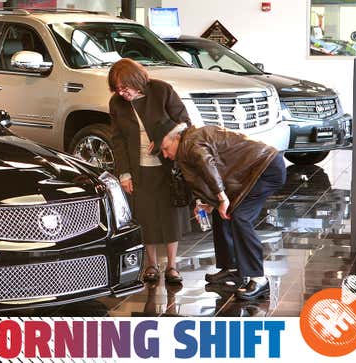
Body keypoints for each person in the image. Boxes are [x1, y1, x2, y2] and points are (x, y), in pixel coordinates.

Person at [160, 123, 286, 300]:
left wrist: (221, 198)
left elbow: (208, 165)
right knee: (222, 215)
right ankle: (232, 268)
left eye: (166, 148)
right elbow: (221, 167)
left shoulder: (189, 143)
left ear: (177, 138)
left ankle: (259, 279)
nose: (166, 155)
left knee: (240, 218)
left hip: (265, 169)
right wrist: (212, 203)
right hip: (252, 172)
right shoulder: (191, 140)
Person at [108, 58, 190, 284]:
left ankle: (172, 266)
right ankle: (151, 265)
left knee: (170, 216)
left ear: (136, 80)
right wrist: (123, 173)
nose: (122, 93)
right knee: (145, 218)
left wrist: (165, 136)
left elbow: (184, 122)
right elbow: (118, 140)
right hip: (138, 167)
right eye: (118, 89)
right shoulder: (116, 103)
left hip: (167, 165)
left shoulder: (162, 90)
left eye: (125, 88)